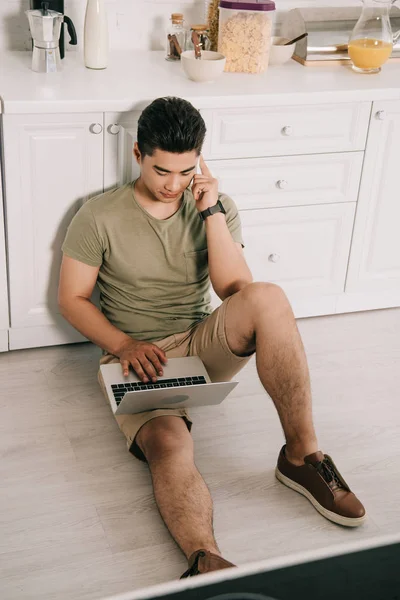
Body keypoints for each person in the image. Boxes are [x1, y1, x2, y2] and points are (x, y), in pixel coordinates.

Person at [58, 96, 366, 580]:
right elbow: (72, 298)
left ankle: (302, 456)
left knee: (268, 296)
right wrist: (123, 346)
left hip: (202, 340)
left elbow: (235, 290)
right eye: (162, 171)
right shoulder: (97, 215)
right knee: (167, 441)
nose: (173, 185)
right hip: (137, 356)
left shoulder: (214, 206)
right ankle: (206, 560)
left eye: (186, 172)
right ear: (137, 153)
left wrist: (211, 212)